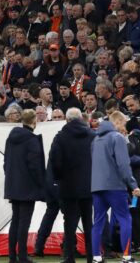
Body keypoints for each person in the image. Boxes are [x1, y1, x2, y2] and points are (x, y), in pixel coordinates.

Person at [49, 107, 95, 263]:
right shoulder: (91, 135)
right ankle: (92, 256)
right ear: (81, 118)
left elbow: (55, 161)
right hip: (88, 186)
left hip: (68, 187)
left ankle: (69, 256)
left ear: (67, 120)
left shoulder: (61, 137)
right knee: (89, 223)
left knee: (69, 224)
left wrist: (59, 178)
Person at [91, 120, 140, 263]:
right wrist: (133, 185)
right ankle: (127, 256)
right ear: (115, 125)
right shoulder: (117, 138)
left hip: (97, 186)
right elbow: (124, 165)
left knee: (98, 221)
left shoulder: (95, 139)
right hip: (115, 186)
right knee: (125, 218)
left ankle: (96, 257)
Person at [3, 109, 45, 263]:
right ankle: (22, 255)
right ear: (34, 121)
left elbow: (5, 161)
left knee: (15, 220)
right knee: (24, 222)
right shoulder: (31, 140)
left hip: (13, 184)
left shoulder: (11, 137)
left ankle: (12, 256)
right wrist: (42, 184)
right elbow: (35, 165)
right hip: (28, 186)